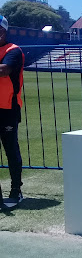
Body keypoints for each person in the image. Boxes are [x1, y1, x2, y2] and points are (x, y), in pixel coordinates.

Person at [0, 15, 24, 210]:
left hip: (8, 107)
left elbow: (4, 70)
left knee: (10, 149)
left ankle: (16, 189)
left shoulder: (13, 50)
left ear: (4, 31)